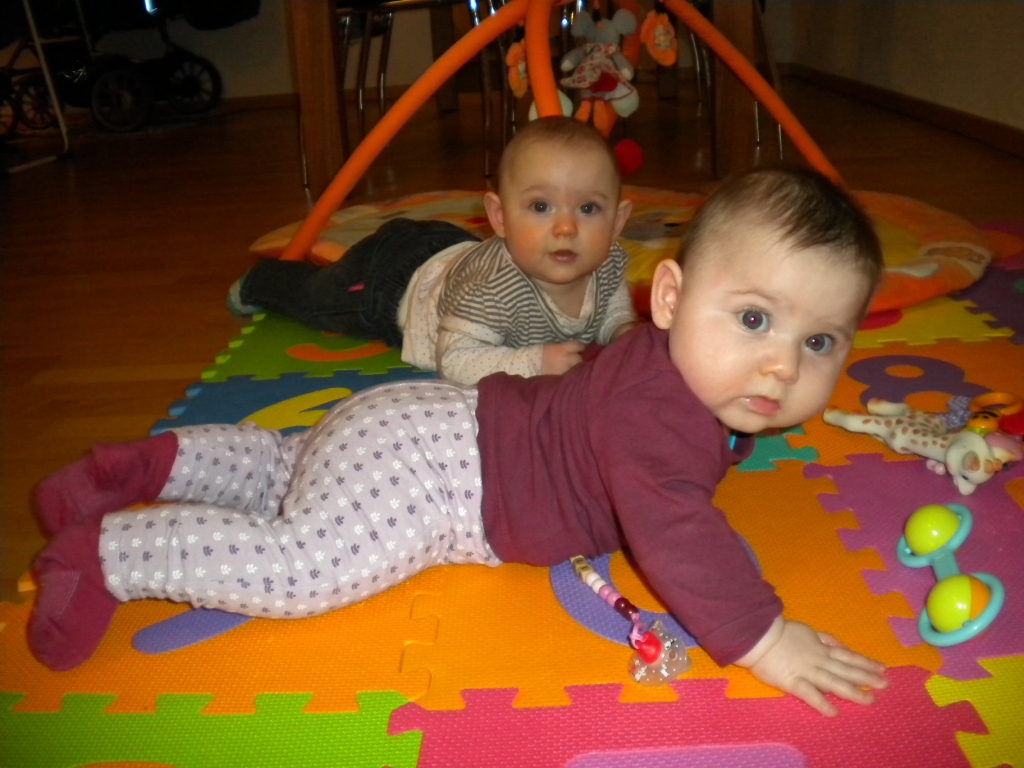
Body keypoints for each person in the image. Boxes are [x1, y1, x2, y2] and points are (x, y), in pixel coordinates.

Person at [28, 166, 889, 717]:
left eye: (818, 342)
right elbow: (678, 533)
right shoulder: (660, 417)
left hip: (426, 420)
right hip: (442, 483)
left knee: (290, 468)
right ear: (669, 298)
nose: (781, 366)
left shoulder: (666, 362)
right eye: (753, 320)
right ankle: (107, 556)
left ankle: (150, 465)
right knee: (304, 564)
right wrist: (764, 639)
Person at [227, 116, 637, 385]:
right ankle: (262, 281)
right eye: (541, 207)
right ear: (500, 217)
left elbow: (612, 307)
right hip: (394, 283)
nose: (566, 228)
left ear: (617, 222)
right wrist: (535, 363)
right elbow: (454, 361)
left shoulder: (608, 262)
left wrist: (622, 330)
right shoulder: (491, 288)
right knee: (320, 296)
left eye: (588, 209)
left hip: (450, 249)